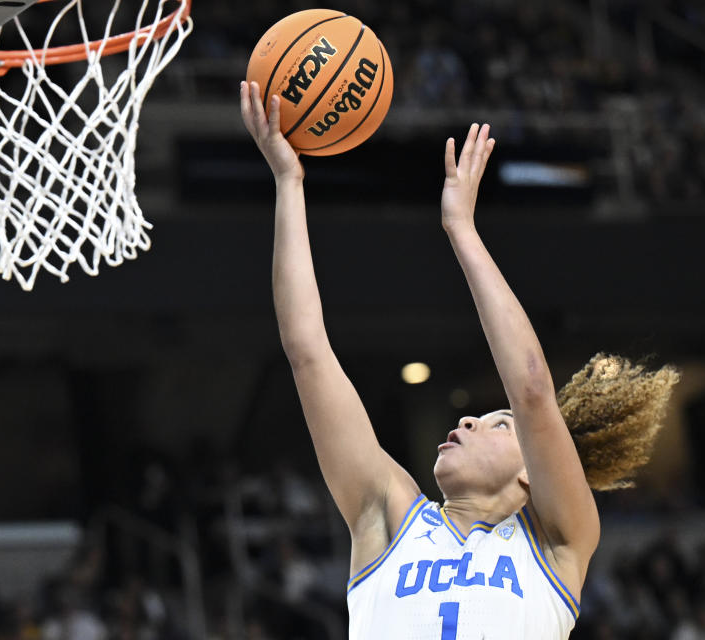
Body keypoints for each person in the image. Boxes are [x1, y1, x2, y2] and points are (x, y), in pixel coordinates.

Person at [239, 80, 680, 639]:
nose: (467, 420)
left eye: (498, 424)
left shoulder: (557, 542)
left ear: (531, 475)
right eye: (485, 417)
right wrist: (288, 181)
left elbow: (532, 389)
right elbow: (306, 350)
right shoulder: (387, 516)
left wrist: (461, 229)